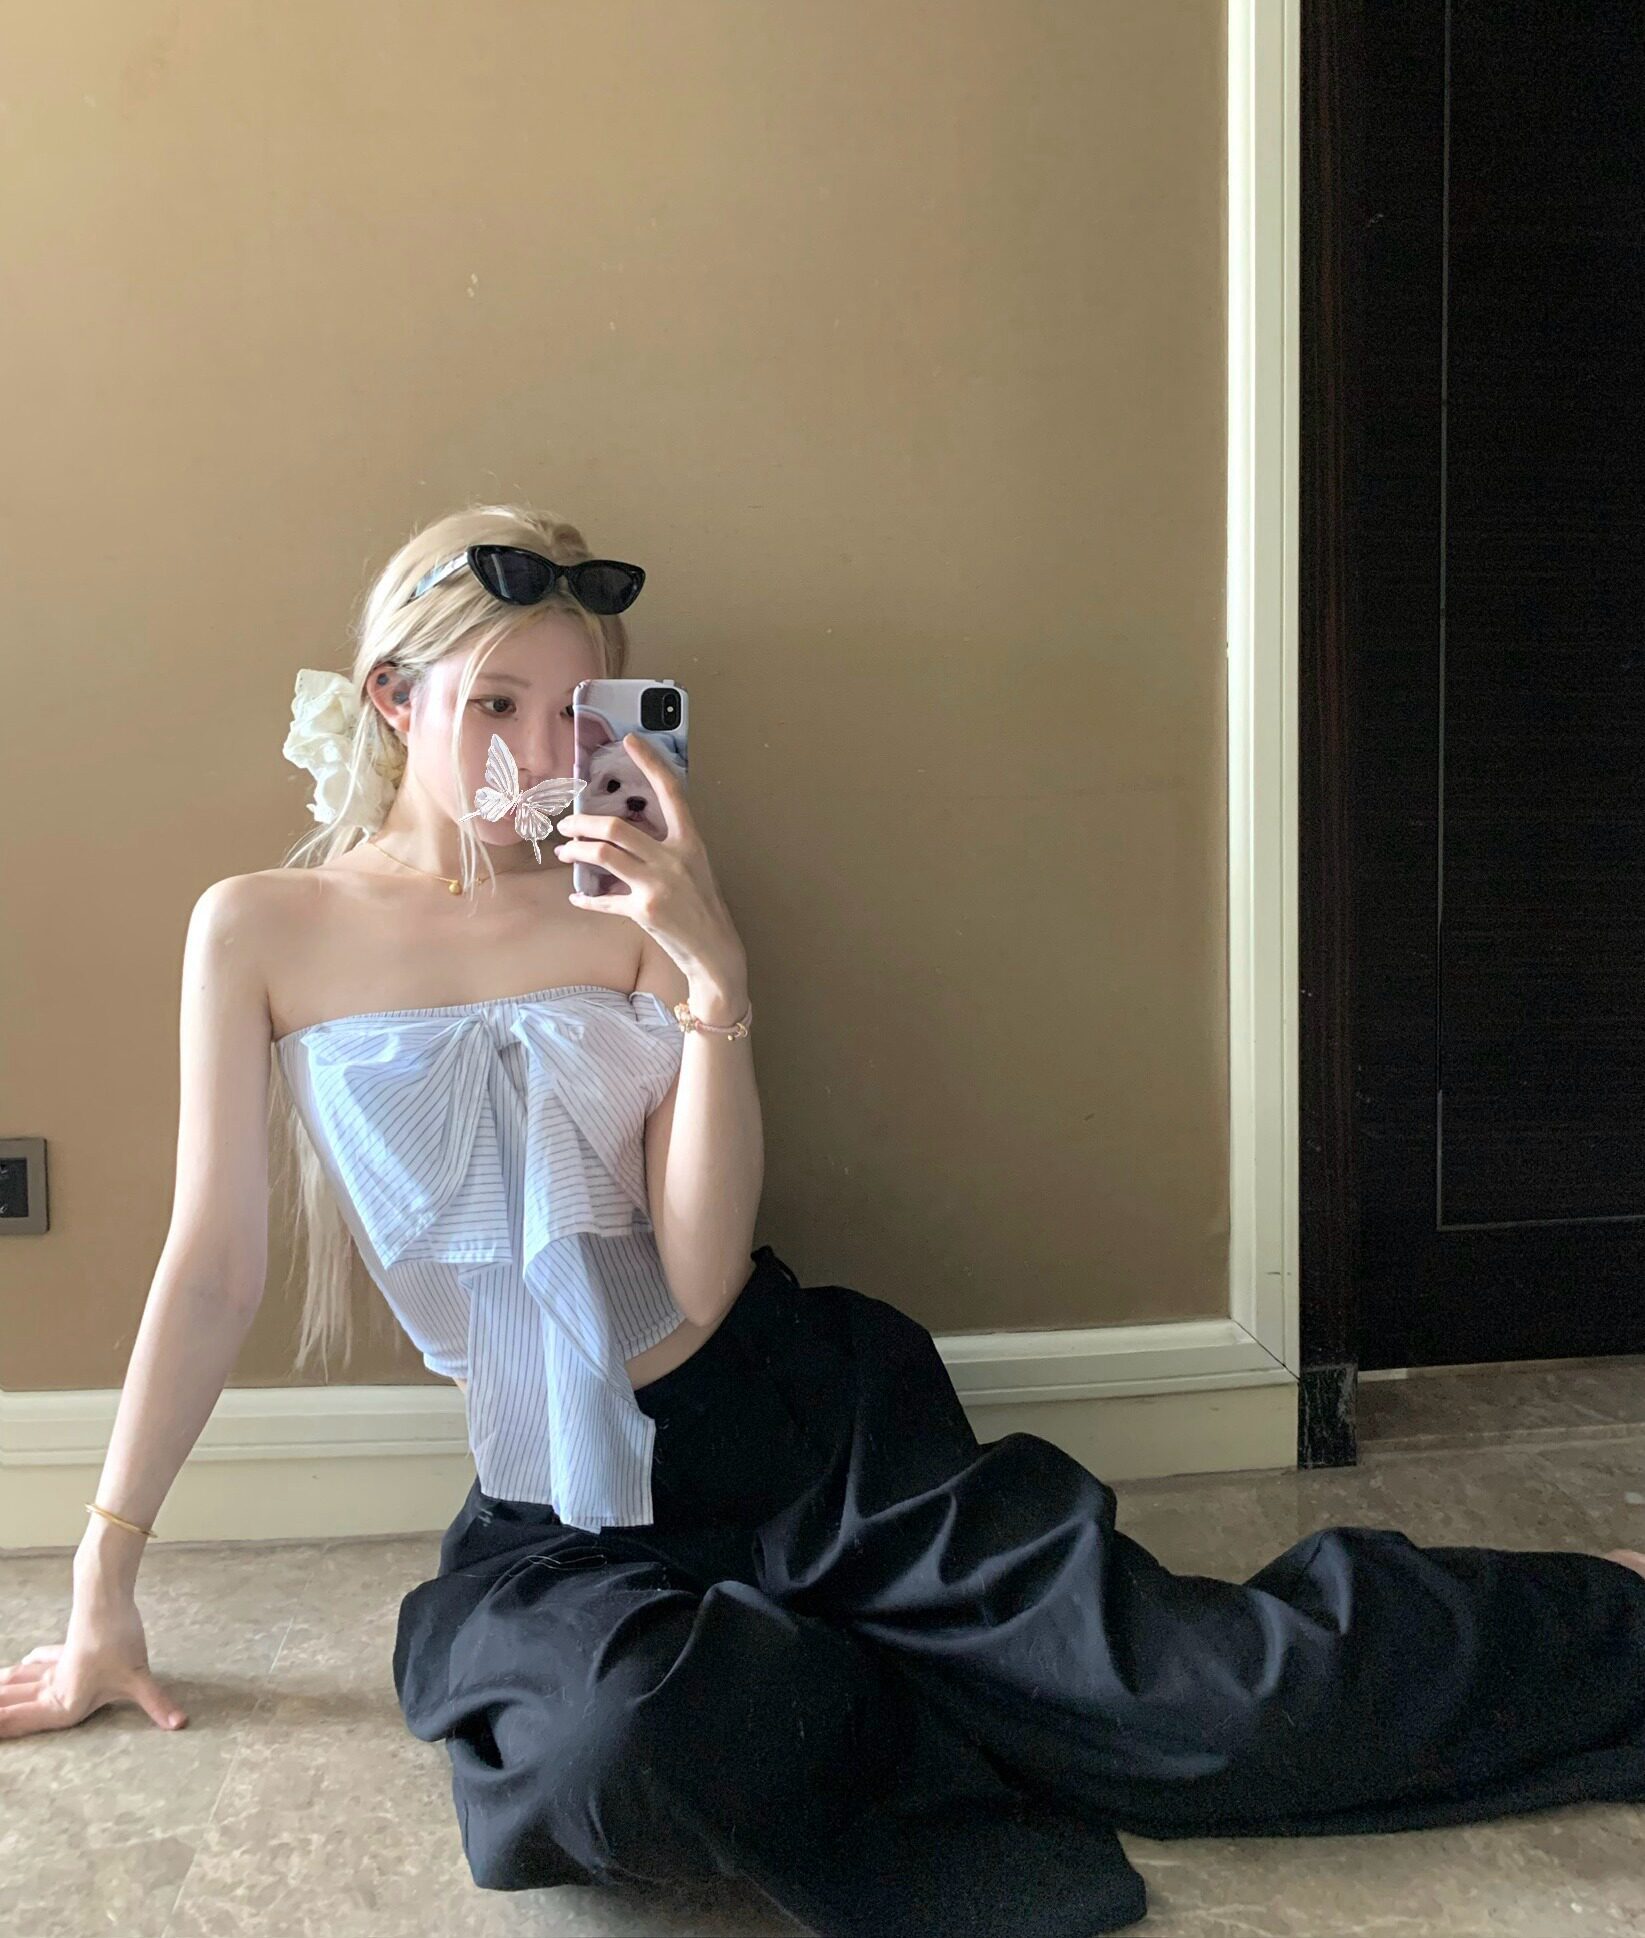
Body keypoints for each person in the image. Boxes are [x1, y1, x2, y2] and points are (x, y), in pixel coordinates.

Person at [5, 502, 1645, 1938]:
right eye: (493, 701)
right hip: (561, 1502)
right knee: (609, 1757)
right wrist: (105, 1579)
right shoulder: (262, 928)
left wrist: (711, 980)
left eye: (574, 710)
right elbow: (212, 1266)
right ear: (394, 697)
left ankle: (1605, 1612)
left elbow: (698, 1275)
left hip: (799, 1424)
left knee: (1216, 1700)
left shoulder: (635, 905)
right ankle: (923, 1684)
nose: (535, 746)